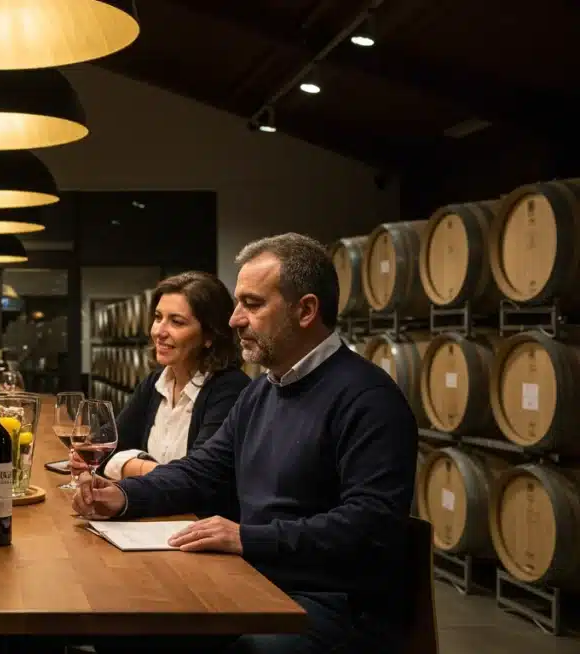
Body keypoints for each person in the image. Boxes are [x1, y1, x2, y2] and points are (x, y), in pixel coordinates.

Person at [73, 233, 417, 653]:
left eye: (252, 304)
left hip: (332, 607)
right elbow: (202, 470)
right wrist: (122, 496)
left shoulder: (367, 398)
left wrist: (246, 538)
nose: (235, 319)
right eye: (238, 303)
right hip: (254, 580)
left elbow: (370, 526)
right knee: (127, 626)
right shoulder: (262, 392)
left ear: (305, 310)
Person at [72, 271, 248, 518]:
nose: (159, 332)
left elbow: (199, 481)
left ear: (209, 336)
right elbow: (106, 447)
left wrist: (127, 464)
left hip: (197, 531)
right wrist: (147, 468)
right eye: (158, 318)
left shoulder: (229, 390)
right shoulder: (155, 382)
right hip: (155, 521)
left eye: (176, 322)